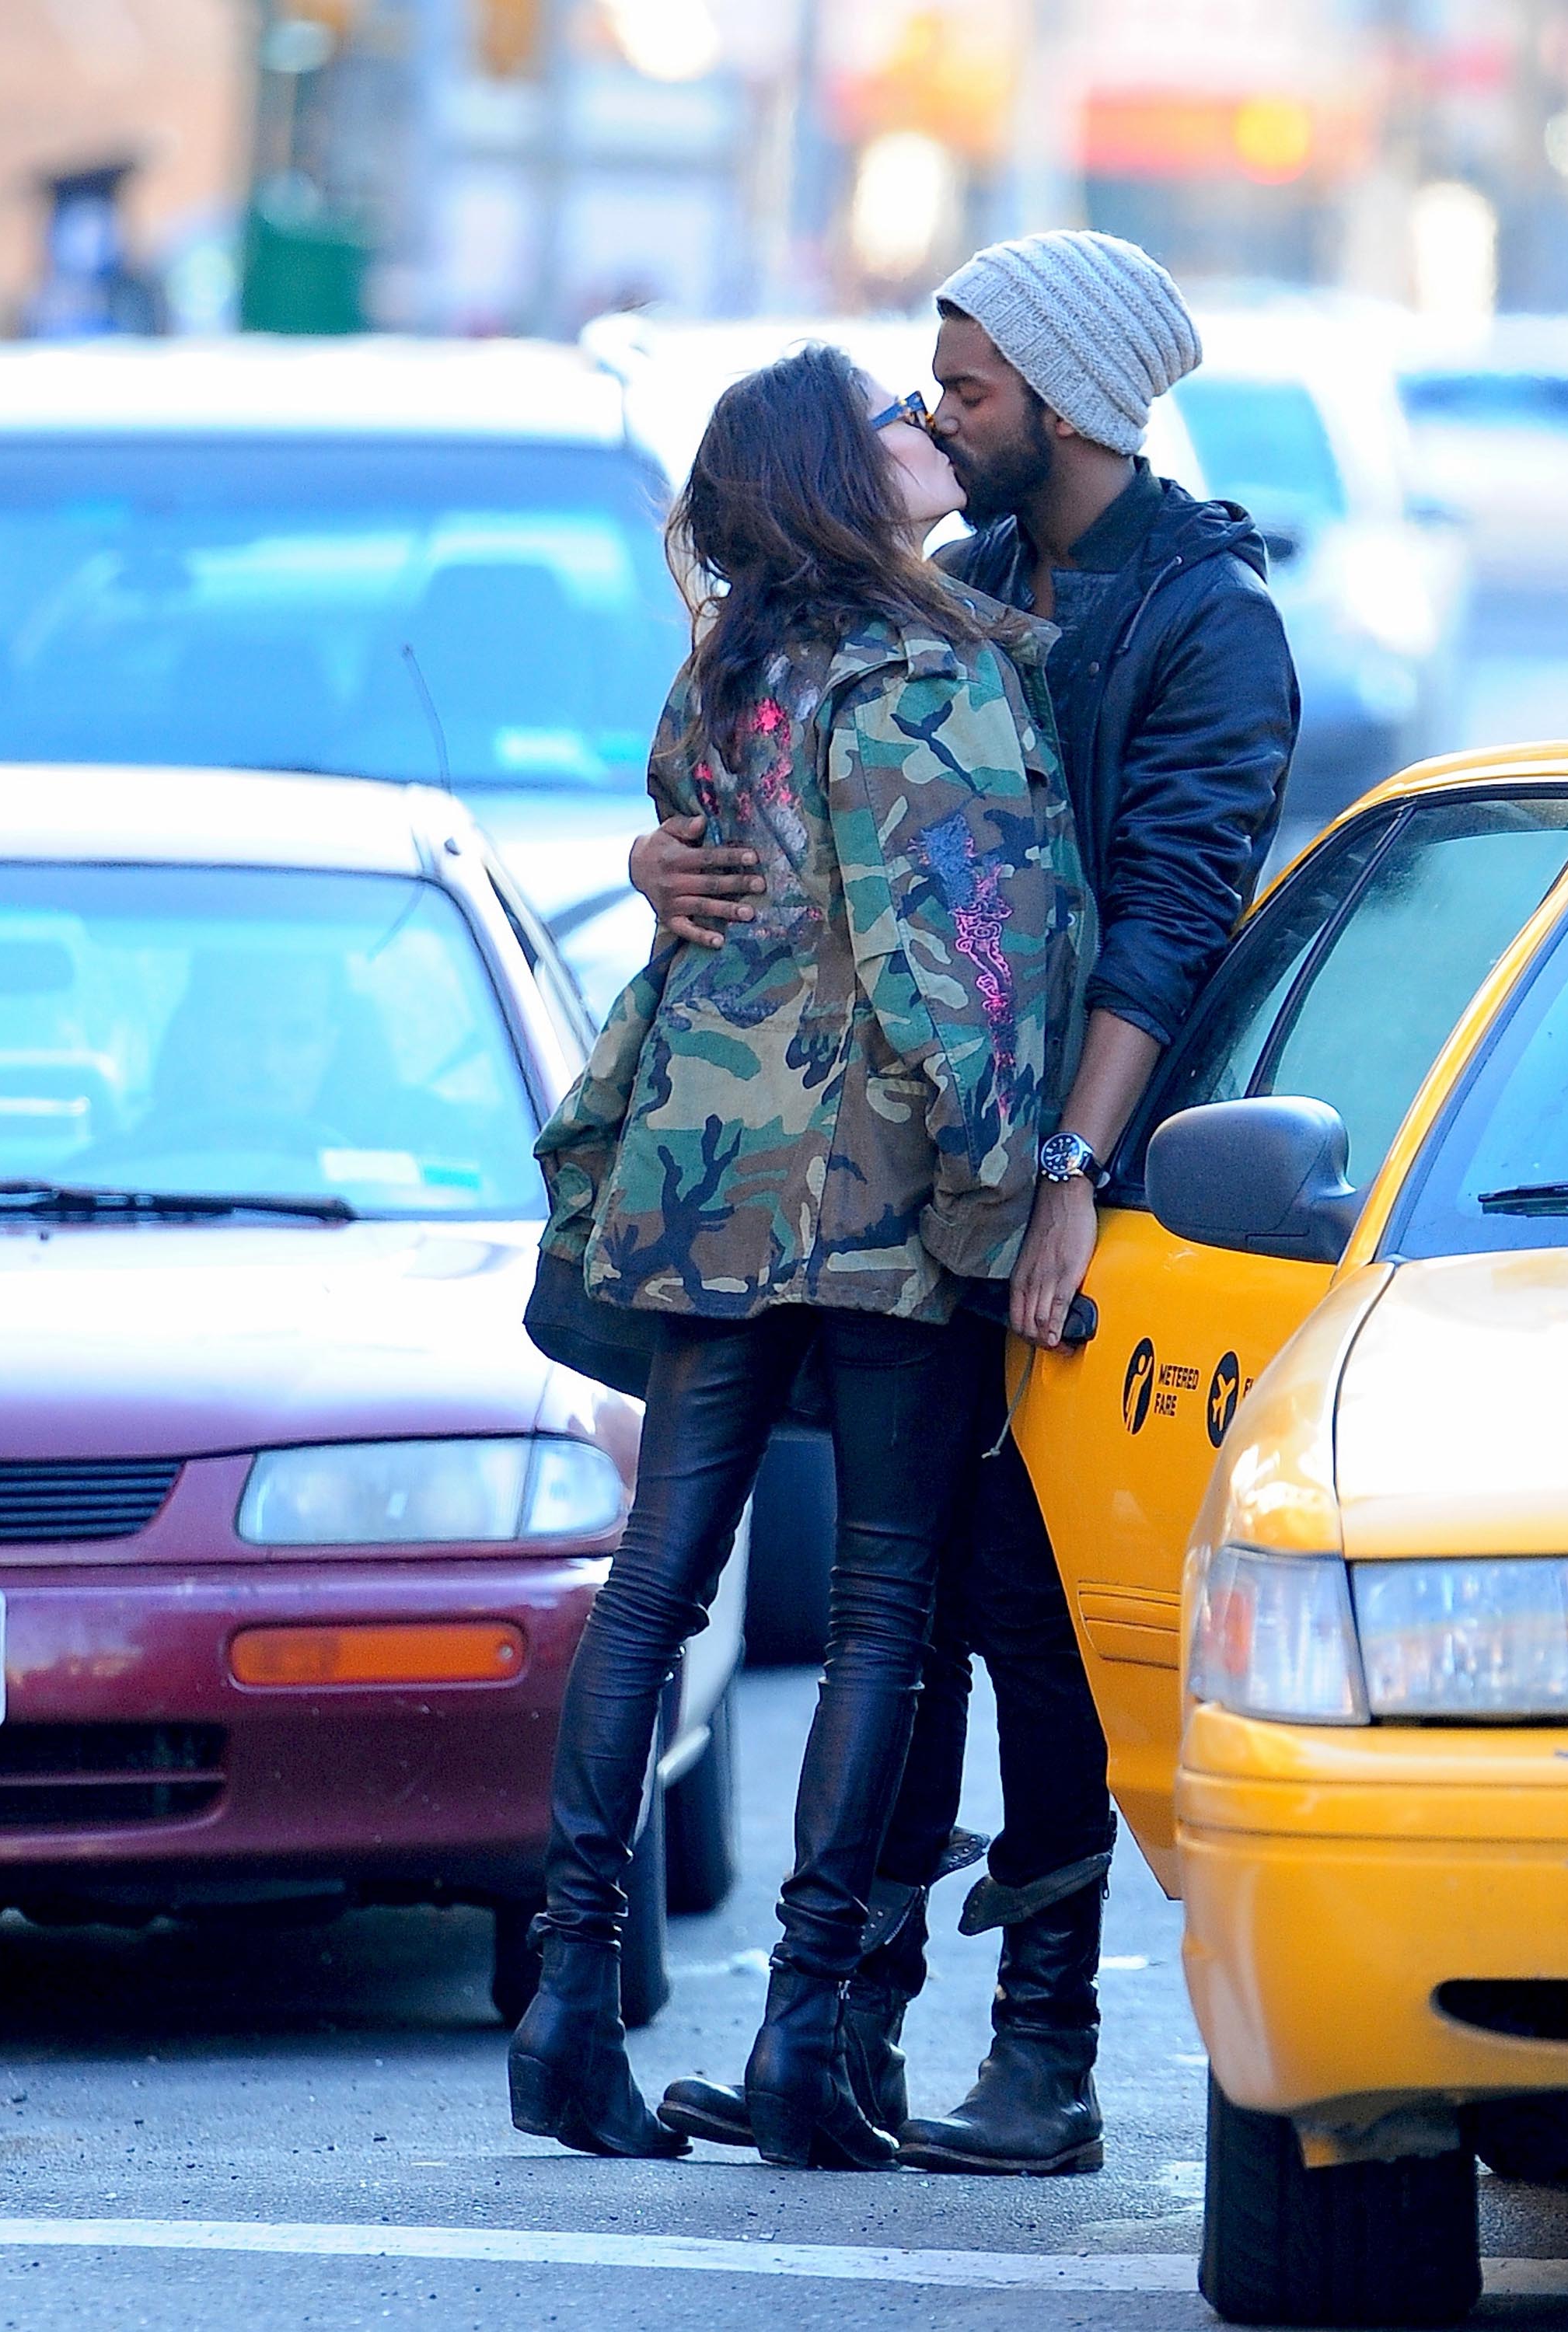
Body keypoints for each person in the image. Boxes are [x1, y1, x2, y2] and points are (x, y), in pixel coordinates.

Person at [635, 232, 1299, 2176]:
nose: (932, 416)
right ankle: (835, 2035)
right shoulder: (987, 574)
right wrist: (653, 856)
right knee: (899, 1605)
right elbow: (805, 793)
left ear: (1076, 403)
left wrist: (1074, 1178)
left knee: (1035, 1621)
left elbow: (1172, 916)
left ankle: (1047, 2054)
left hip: (1099, 1177)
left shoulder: (1205, 614)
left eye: (969, 389)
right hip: (928, 1170)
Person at [508, 341, 1088, 2170]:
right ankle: (798, 2036)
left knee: (655, 1579)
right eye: (890, 424)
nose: (923, 435)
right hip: (873, 1204)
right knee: (879, 1611)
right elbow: (960, 976)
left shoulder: (729, 665)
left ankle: (568, 2004)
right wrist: (1006, 1195)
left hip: (697, 1186)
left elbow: (700, 866)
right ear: (840, 481)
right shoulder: (920, 675)